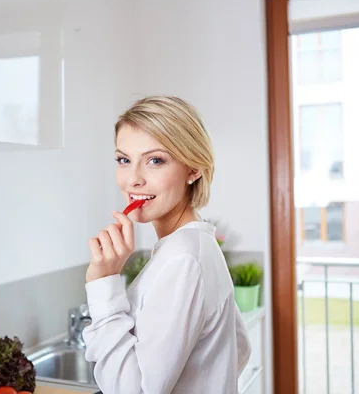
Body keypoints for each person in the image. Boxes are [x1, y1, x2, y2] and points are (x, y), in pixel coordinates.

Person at [83, 96, 251, 394]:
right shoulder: (197, 245)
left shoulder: (183, 259)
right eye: (124, 160)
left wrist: (103, 282)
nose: (133, 179)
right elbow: (240, 346)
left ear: (193, 169)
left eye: (155, 160)